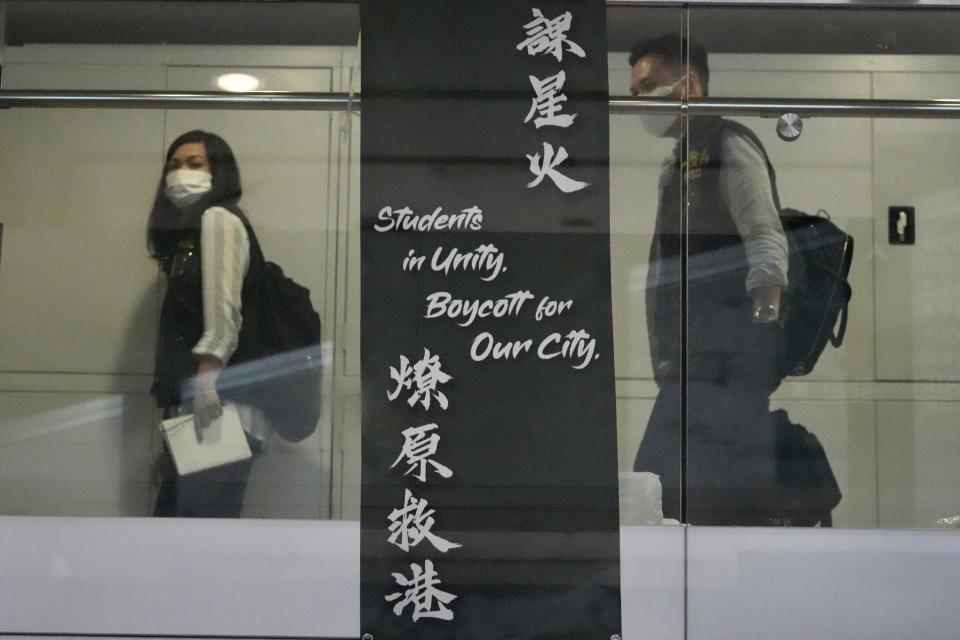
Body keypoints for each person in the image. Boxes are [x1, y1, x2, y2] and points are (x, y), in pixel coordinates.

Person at [628, 35, 790, 525]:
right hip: (692, 365)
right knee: (676, 496)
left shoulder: (728, 143)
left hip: (725, 368)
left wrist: (755, 336)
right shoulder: (680, 160)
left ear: (690, 83)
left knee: (662, 489)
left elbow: (765, 241)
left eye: (648, 86)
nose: (638, 103)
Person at [147, 130, 272, 517]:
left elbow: (224, 309)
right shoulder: (190, 232)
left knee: (197, 543)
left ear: (218, 173)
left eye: (194, 164)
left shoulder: (218, 219)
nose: (180, 173)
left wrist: (206, 381)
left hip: (218, 406)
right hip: (204, 408)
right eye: (174, 166)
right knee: (189, 538)